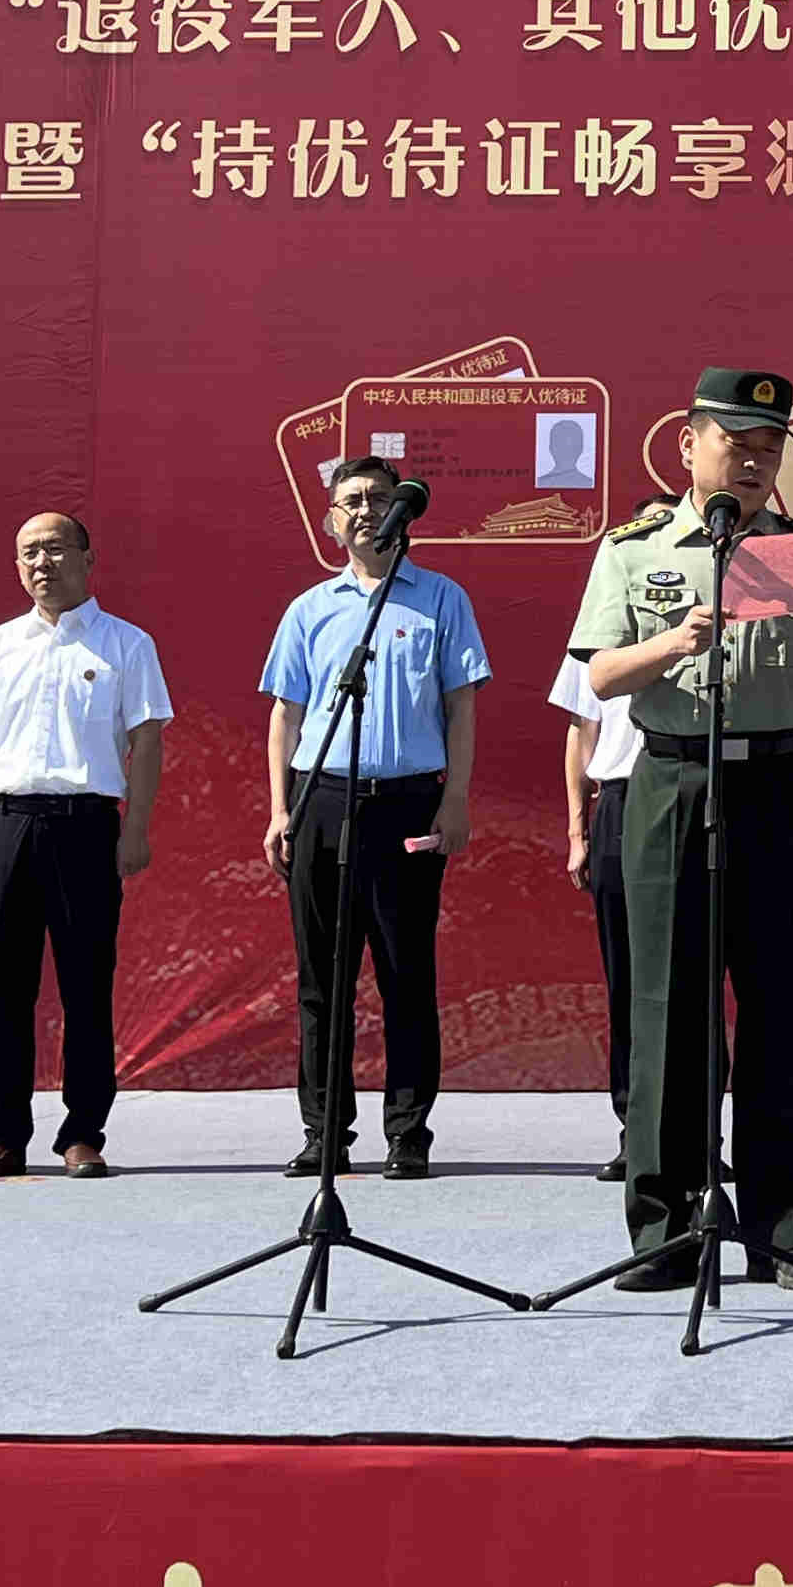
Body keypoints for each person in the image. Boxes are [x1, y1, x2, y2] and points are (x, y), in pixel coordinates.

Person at [570, 368, 793, 1289]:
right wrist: (672, 643)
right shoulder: (634, 548)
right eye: (736, 443)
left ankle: (784, 1231)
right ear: (688, 444)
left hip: (776, 784)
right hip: (669, 782)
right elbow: (600, 677)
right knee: (667, 1011)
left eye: (769, 448)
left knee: (779, 1008)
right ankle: (666, 1228)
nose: (752, 461)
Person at [262, 455, 487, 1180]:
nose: (366, 510)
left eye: (379, 498)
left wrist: (455, 799)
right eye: (352, 500)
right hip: (322, 800)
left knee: (406, 974)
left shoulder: (442, 598)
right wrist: (281, 809)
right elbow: (287, 714)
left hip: (409, 804)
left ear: (402, 512)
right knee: (321, 980)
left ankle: (408, 1133)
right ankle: (324, 1133)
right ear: (331, 522)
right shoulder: (310, 609)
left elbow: (460, 706)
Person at [0, 512, 171, 1179]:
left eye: (55, 549)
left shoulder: (125, 644)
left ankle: (82, 1133)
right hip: (5, 825)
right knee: (5, 992)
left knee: (86, 989)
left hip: (85, 827)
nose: (42, 563)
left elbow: (147, 740)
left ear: (87, 558)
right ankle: (4, 1135)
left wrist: (135, 828)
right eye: (28, 553)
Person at [552, 500, 668, 1189]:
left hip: (688, 793)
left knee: (691, 978)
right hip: (621, 804)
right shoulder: (601, 623)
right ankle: (636, 1132)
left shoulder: (701, 617)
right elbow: (581, 733)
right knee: (630, 982)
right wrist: (577, 829)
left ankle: (699, 1134)